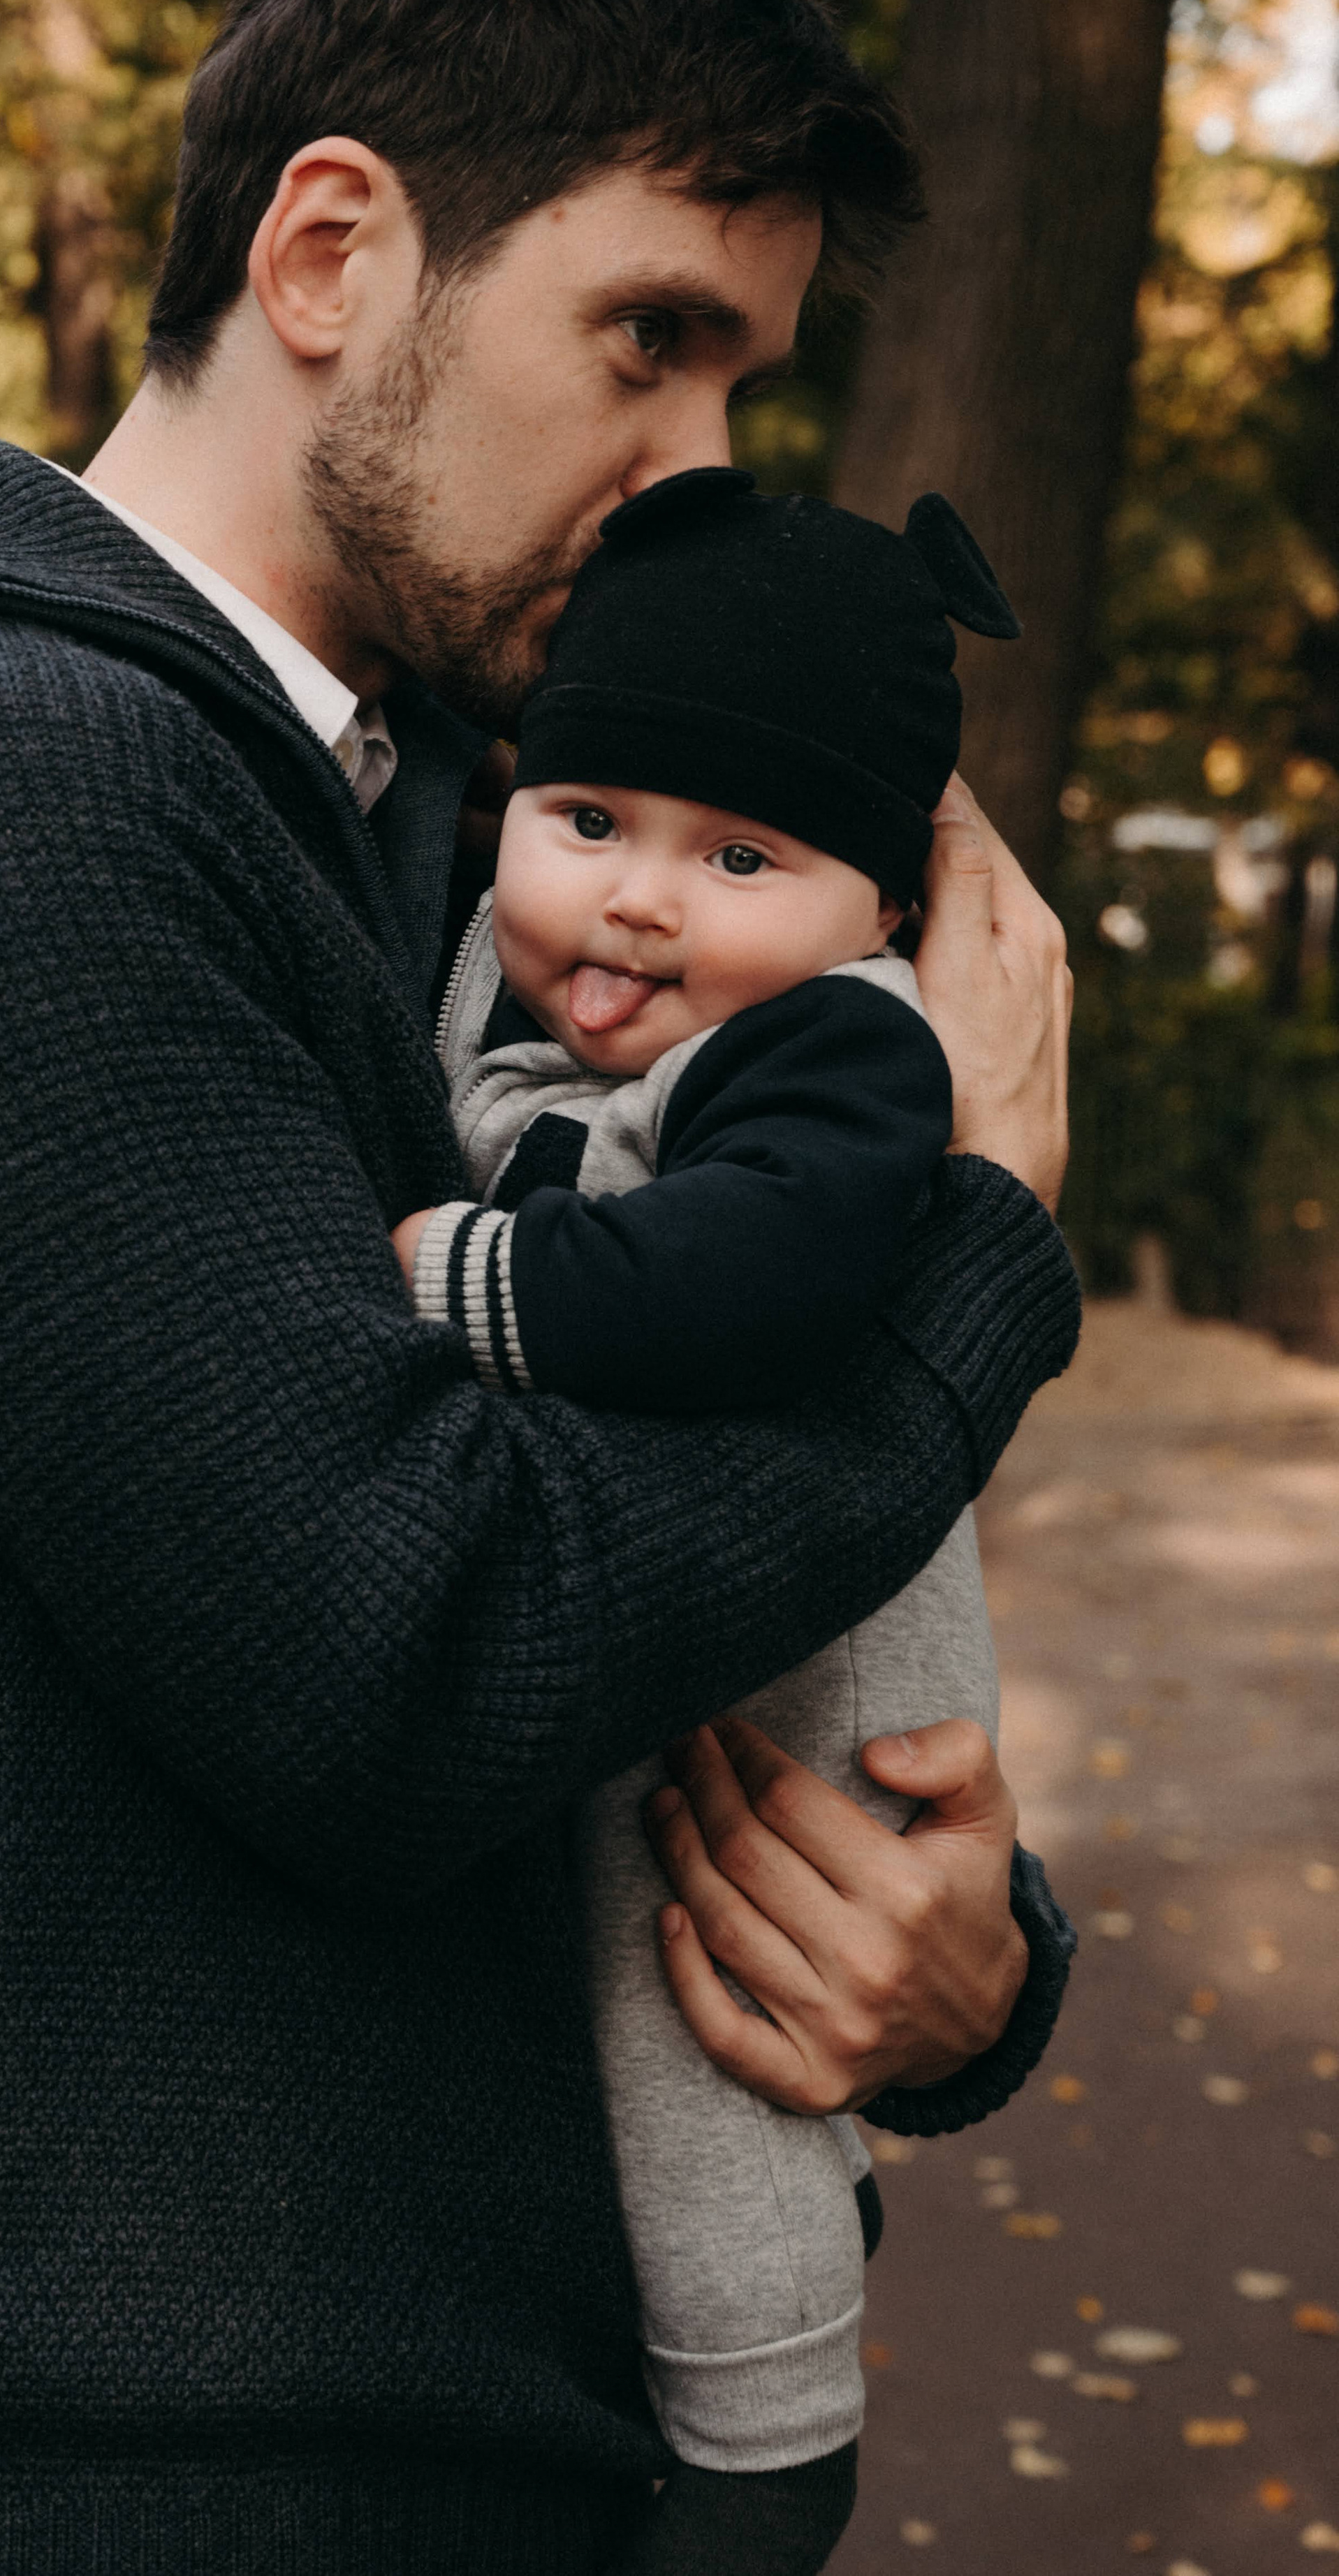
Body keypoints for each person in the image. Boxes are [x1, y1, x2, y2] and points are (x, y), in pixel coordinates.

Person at [0, 0, 1078, 2570]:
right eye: (649, 340)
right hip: (113, 2494)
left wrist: (967, 1958)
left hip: (502, 2459)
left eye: (743, 380)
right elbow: (400, 1657)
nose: (700, 468)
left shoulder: (447, 832)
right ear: (330, 253)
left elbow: (647, 1558)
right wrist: (975, 1268)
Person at [400, 464, 1035, 2576]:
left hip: (798, 1722)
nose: (640, 903)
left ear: (882, 913)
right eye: (589, 824)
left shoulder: (840, 1055)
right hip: (675, 1661)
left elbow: (754, 1283)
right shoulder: (511, 1000)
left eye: (740, 855)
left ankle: (770, 2463)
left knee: (702, 2076)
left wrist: (453, 1275)